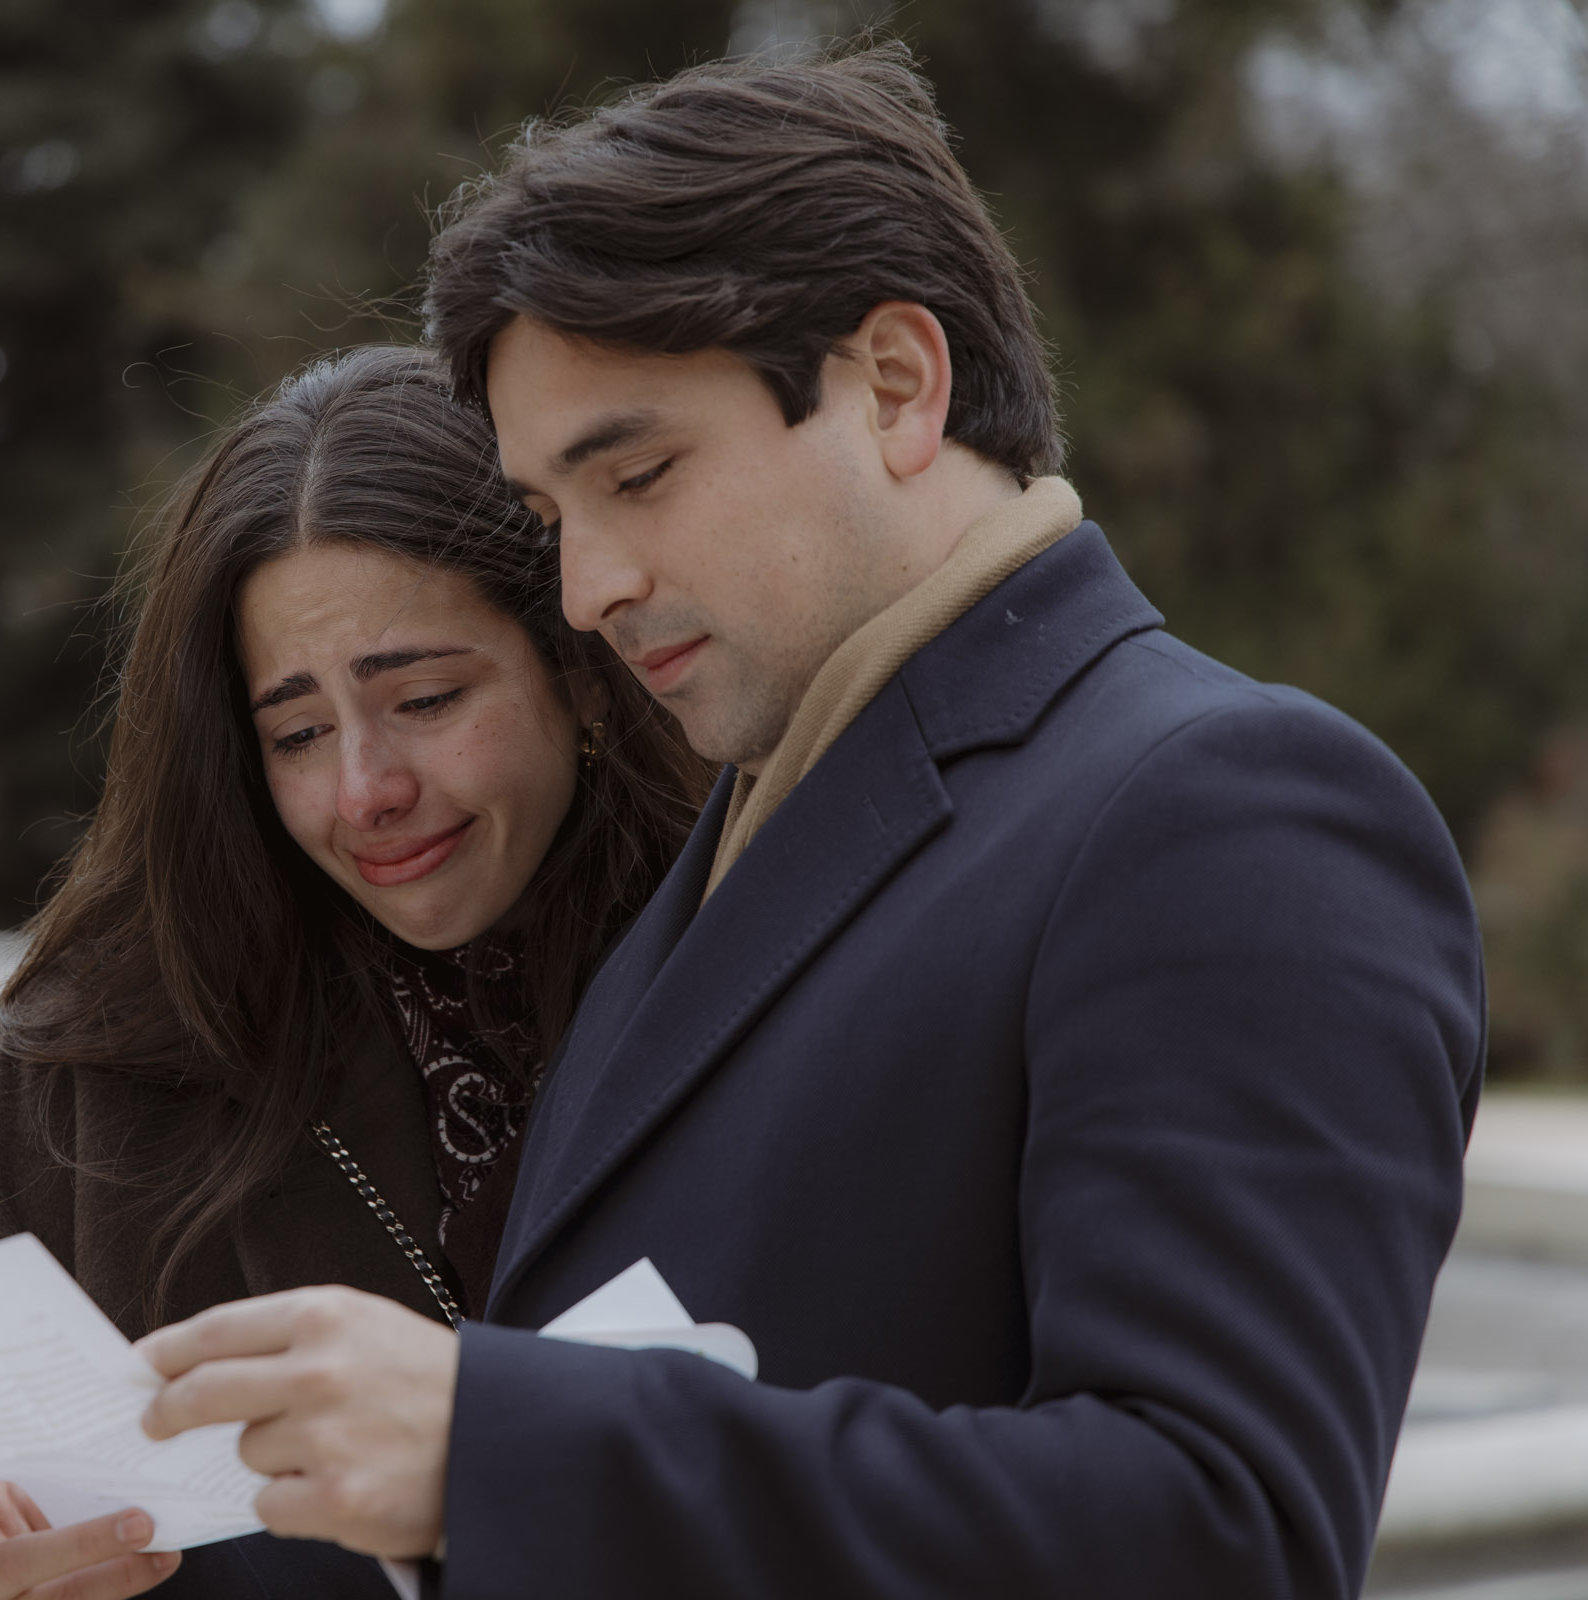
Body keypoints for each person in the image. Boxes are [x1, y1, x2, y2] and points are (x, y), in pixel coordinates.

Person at [125, 46, 1484, 1599]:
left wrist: (495, 1441)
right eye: (554, 519)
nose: (588, 589)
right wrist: (151, 1573)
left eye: (639, 474)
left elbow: (1220, 1533)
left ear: (896, 385)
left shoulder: (1228, 813)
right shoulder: (747, 832)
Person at [0, 344, 709, 1599]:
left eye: (424, 698)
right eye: (297, 732)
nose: (364, 791)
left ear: (581, 677)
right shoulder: (109, 1063)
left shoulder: (755, 977)